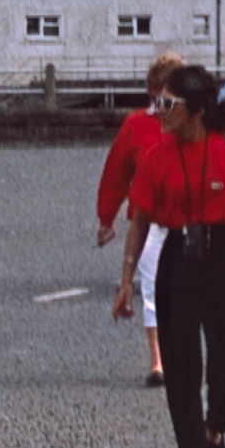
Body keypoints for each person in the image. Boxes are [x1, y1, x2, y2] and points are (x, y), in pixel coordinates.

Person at [114, 66, 225, 448]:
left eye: (168, 104)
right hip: (177, 261)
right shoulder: (156, 155)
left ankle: (214, 429)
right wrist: (127, 278)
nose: (159, 112)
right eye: (157, 103)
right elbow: (141, 219)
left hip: (223, 258)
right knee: (182, 368)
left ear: (197, 109)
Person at [94, 56, 181, 387]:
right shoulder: (135, 126)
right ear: (152, 90)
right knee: (152, 289)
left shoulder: (193, 126)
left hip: (187, 223)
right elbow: (116, 173)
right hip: (148, 224)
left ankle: (184, 354)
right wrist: (107, 218)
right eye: (165, 92)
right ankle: (158, 361)